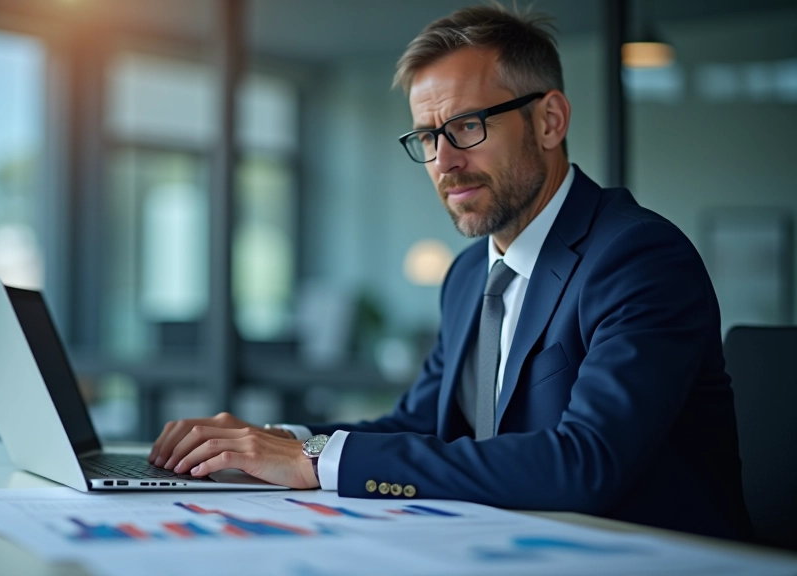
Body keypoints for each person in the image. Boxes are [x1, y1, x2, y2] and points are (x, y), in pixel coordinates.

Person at [147, 5, 752, 540]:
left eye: (466, 126)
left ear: (549, 121)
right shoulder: (469, 276)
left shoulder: (638, 256)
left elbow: (584, 464)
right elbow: (417, 425)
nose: (444, 162)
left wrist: (312, 460)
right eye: (428, 136)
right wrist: (269, 439)